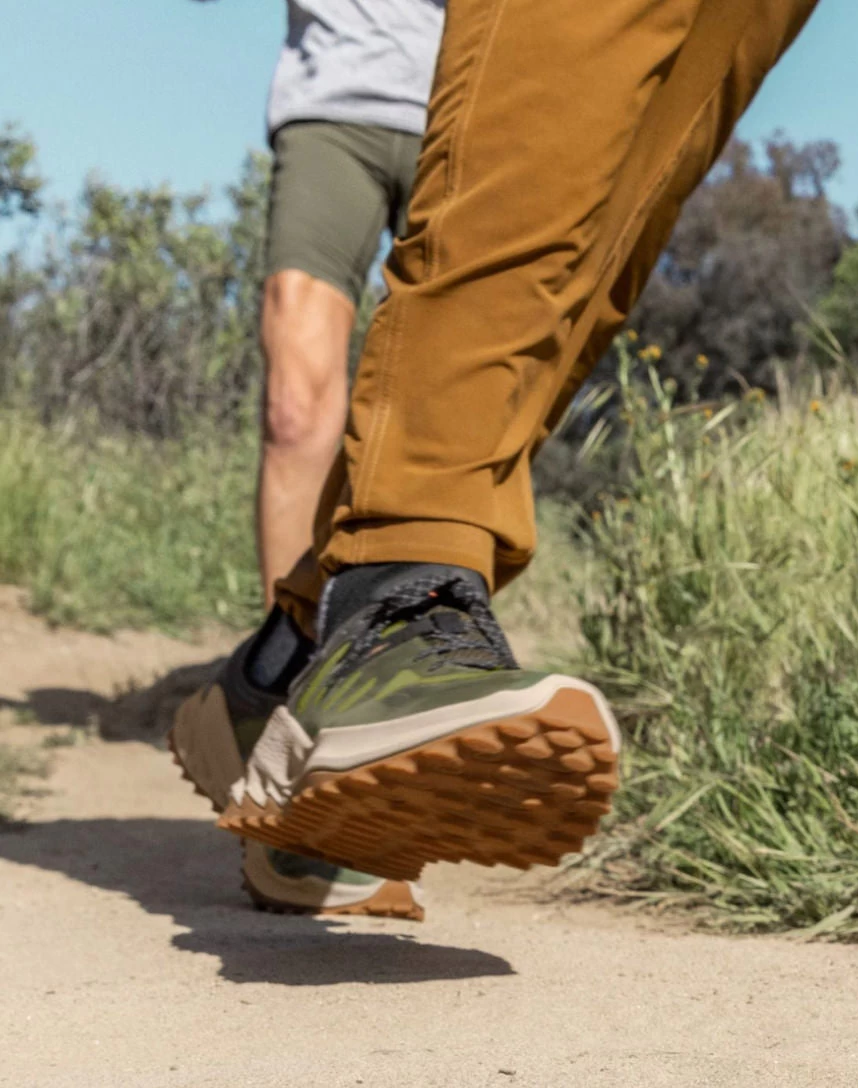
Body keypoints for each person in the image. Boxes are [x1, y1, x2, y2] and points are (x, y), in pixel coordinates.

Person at [176, 0, 822, 884]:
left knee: (610, 224)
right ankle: (395, 589)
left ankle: (292, 655)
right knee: (558, 104)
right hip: (344, 101)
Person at [173, 0, 446, 919]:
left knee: (445, 422)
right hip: (339, 98)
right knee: (297, 404)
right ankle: (279, 714)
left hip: (476, 105)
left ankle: (386, 749)